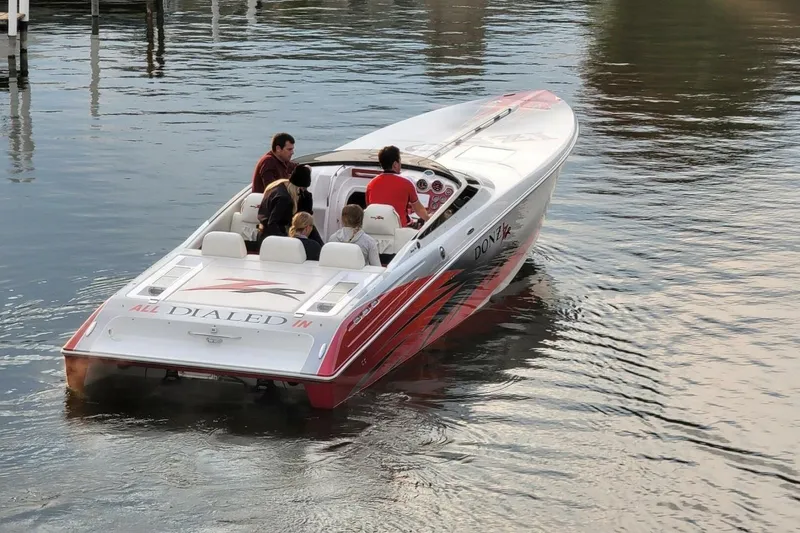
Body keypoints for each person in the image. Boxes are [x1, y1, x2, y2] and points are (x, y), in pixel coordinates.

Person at [257, 165, 323, 247]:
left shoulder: (278, 186)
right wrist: (287, 242)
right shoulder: (284, 199)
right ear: (298, 188)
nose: (303, 192)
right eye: (302, 189)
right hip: (272, 239)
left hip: (265, 236)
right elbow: (273, 224)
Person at [365, 145, 430, 228]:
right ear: (395, 164)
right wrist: (429, 218)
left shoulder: (371, 184)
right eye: (400, 161)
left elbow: (369, 208)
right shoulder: (407, 183)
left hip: (377, 227)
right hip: (401, 228)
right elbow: (419, 210)